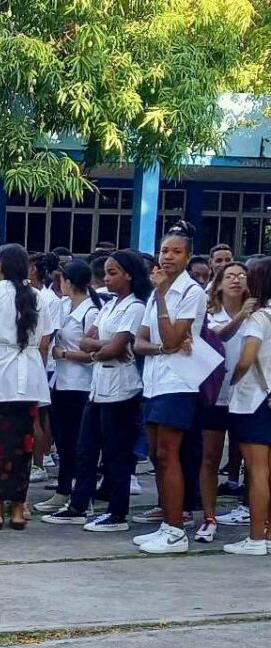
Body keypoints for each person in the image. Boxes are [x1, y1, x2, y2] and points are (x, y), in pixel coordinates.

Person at [42, 251, 150, 531]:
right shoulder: (108, 306)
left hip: (122, 389)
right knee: (85, 449)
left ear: (129, 274)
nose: (107, 279)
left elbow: (111, 348)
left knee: (116, 453)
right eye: (106, 273)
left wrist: (101, 347)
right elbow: (89, 342)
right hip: (98, 387)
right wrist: (103, 346)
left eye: (114, 273)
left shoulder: (135, 307)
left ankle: (117, 513)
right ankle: (78, 505)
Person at [134, 221, 211, 554]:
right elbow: (141, 341)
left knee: (169, 454)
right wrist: (161, 347)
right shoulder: (155, 291)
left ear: (188, 256)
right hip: (153, 380)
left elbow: (172, 337)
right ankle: (167, 521)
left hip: (177, 383)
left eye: (176, 252)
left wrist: (164, 298)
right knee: (156, 454)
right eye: (164, 250)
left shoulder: (190, 292)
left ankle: (177, 529)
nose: (167, 257)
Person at [0, 243, 54, 530]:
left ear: (1, 266)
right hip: (28, 375)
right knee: (23, 445)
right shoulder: (39, 297)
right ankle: (18, 509)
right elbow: (44, 342)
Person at [33, 260, 101, 514]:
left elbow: (95, 352)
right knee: (62, 441)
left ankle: (82, 496)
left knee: (78, 443)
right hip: (60, 382)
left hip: (80, 384)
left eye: (61, 280)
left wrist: (64, 355)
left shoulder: (91, 312)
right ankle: (62, 491)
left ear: (69, 282)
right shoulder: (62, 305)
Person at [195, 262, 254, 543]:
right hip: (216, 396)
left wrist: (247, 314)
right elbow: (218, 336)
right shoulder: (210, 314)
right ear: (218, 284)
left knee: (253, 460)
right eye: (229, 276)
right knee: (210, 458)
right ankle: (209, 517)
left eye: (241, 276)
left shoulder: (260, 315)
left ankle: (252, 512)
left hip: (248, 396)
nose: (236, 280)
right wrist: (241, 316)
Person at [224, 257, 271, 555]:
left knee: (257, 472)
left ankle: (255, 537)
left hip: (254, 399)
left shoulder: (259, 318)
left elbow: (246, 357)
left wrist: (231, 381)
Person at [28, 252, 62, 486]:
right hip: (37, 360)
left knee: (39, 416)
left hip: (44, 363)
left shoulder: (48, 299)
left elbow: (48, 336)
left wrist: (39, 365)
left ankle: (40, 461)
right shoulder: (35, 295)